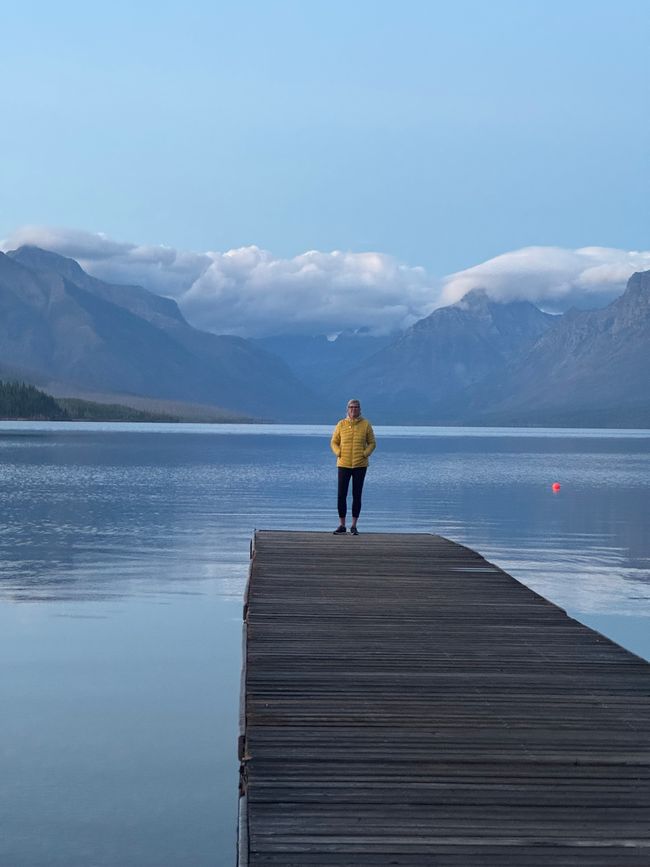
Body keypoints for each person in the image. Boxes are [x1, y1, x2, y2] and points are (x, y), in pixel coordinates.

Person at [330, 398, 376, 535]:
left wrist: (365, 454)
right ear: (347, 409)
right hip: (343, 464)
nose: (353, 409)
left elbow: (372, 443)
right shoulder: (341, 424)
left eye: (356, 407)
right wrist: (338, 452)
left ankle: (354, 526)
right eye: (351, 407)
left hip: (360, 465)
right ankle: (342, 525)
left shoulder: (366, 424)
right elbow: (333, 442)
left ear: (360, 409)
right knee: (341, 495)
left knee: (357, 495)